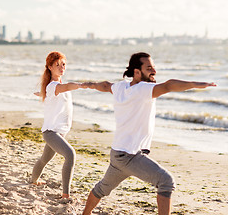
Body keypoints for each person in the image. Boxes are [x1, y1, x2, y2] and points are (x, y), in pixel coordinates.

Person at [81, 52, 216, 215]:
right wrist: (196, 84)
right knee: (166, 181)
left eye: (153, 67)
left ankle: (85, 214)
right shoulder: (143, 89)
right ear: (137, 72)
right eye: (149, 68)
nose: (154, 71)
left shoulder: (120, 87)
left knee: (102, 188)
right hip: (130, 155)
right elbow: (169, 85)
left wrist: (87, 84)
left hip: (118, 153)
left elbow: (103, 85)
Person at [31, 51, 88, 199]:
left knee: (45, 159)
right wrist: (81, 85)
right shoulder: (54, 85)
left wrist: (40, 94)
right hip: (51, 132)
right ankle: (65, 194)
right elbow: (66, 87)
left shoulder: (52, 86)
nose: (61, 67)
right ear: (49, 67)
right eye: (57, 65)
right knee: (70, 155)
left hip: (58, 131)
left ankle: (34, 180)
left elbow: (54, 94)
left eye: (63, 64)